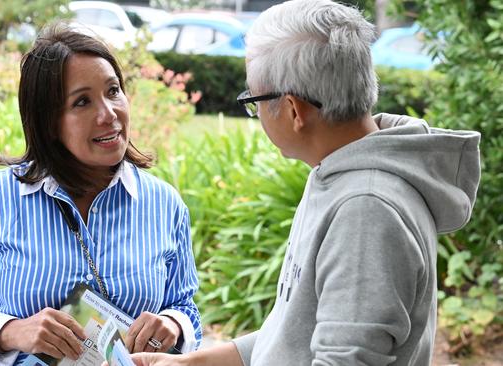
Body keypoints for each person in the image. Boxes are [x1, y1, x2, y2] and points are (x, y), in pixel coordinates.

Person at [124, 0, 481, 365]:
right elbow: (295, 332)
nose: (255, 113)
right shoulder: (339, 171)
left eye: (254, 101)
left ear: (294, 110)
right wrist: (190, 363)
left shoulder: (366, 210)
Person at [0, 23, 201, 366]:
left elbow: (186, 308)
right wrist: (14, 330)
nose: (108, 114)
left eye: (113, 91)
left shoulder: (164, 204)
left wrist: (173, 324)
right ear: (48, 123)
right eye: (82, 102)